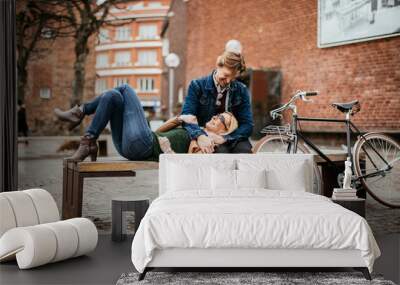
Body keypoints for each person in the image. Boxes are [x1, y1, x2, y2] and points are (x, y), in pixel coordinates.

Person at [54, 84, 238, 162]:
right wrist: (180, 120)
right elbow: (160, 130)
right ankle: (88, 141)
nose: (216, 117)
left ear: (224, 131)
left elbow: (189, 162)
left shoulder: (212, 141)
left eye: (222, 119)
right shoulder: (197, 128)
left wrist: (196, 135)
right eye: (218, 115)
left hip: (145, 145)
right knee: (113, 96)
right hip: (128, 145)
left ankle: (80, 112)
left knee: (125, 89)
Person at [181, 45, 254, 154]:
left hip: (233, 137)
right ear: (218, 65)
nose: (229, 81)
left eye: (233, 78)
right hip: (205, 135)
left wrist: (226, 138)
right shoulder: (197, 86)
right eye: (226, 75)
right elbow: (187, 116)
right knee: (219, 153)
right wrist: (199, 136)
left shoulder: (241, 90)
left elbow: (247, 125)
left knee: (245, 152)